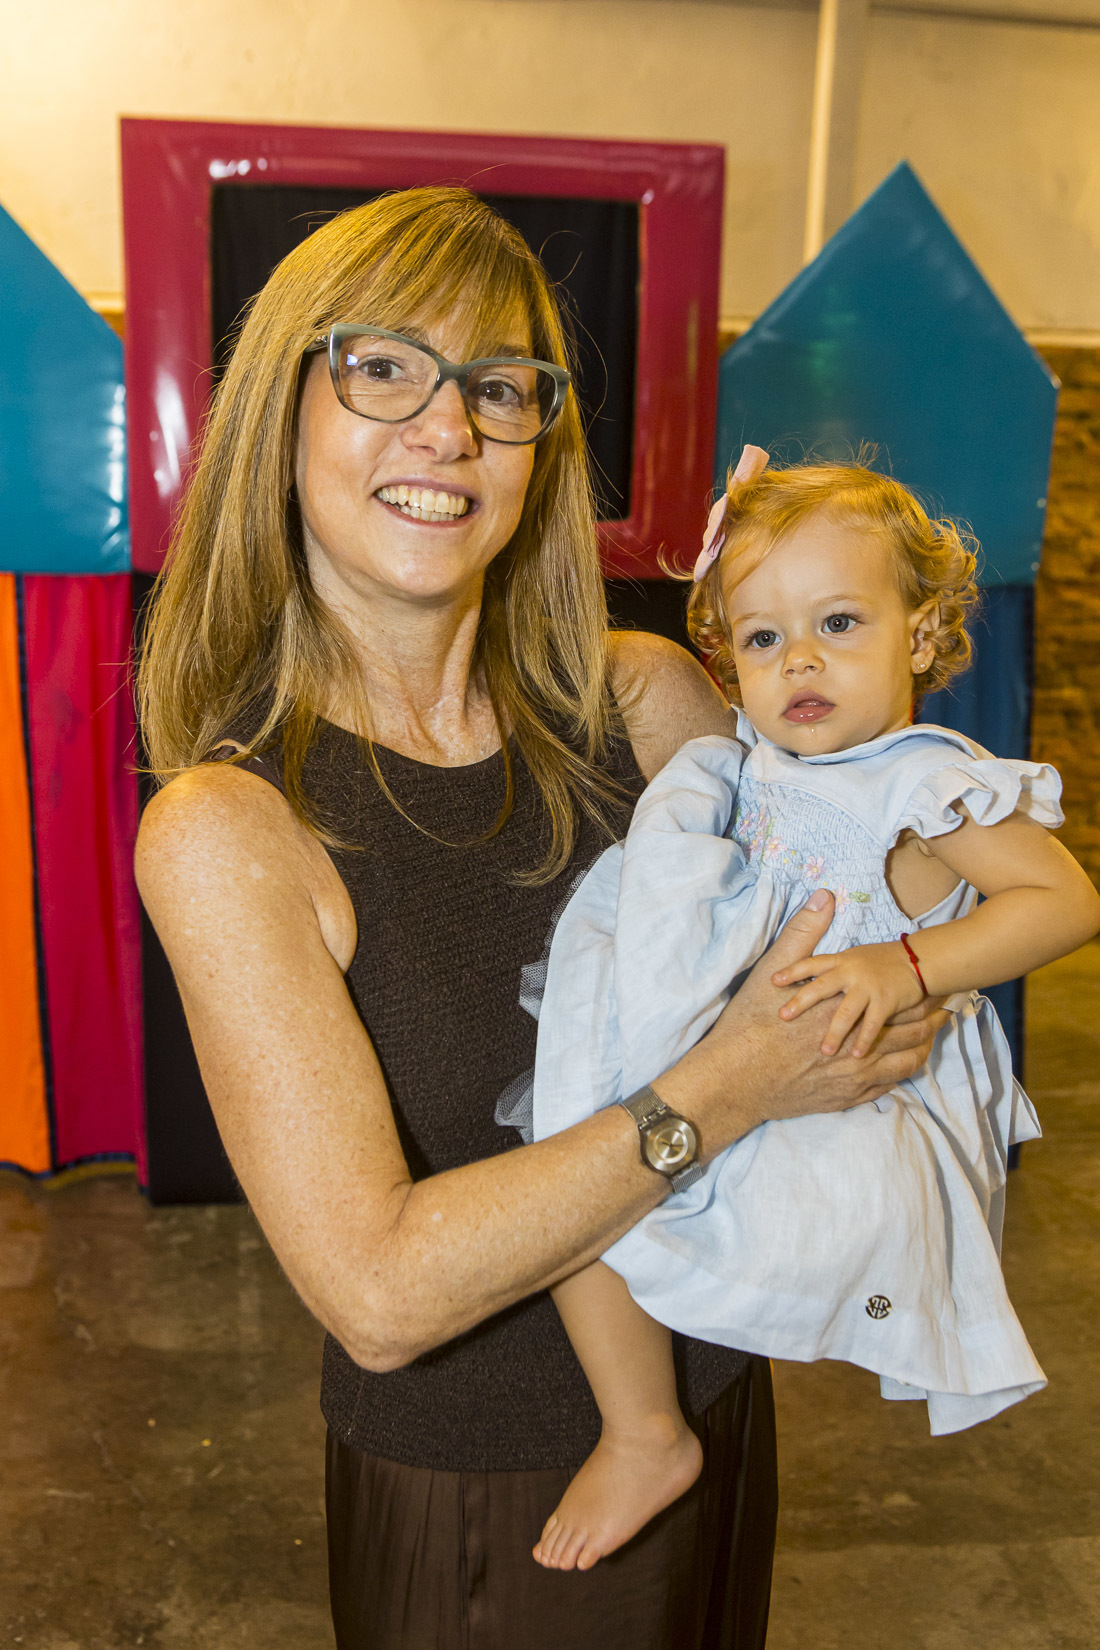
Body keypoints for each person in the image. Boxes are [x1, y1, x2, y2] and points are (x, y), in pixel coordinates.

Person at [134, 189, 948, 1650]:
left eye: (499, 386)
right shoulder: (230, 829)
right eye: (384, 367)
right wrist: (733, 1083)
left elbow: (851, 928)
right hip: (484, 1502)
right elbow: (380, 1289)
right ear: (281, 418)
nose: (447, 428)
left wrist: (821, 623)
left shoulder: (643, 702)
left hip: (718, 1396)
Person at [520, 453, 1100, 1577]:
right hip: (749, 1062)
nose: (800, 660)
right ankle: (643, 1428)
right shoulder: (758, 761)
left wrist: (907, 961)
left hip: (841, 1104)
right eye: (762, 637)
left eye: (837, 622)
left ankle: (644, 1433)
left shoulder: (921, 784)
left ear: (919, 635)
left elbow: (1064, 901)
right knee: (567, 1179)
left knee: (595, 1204)